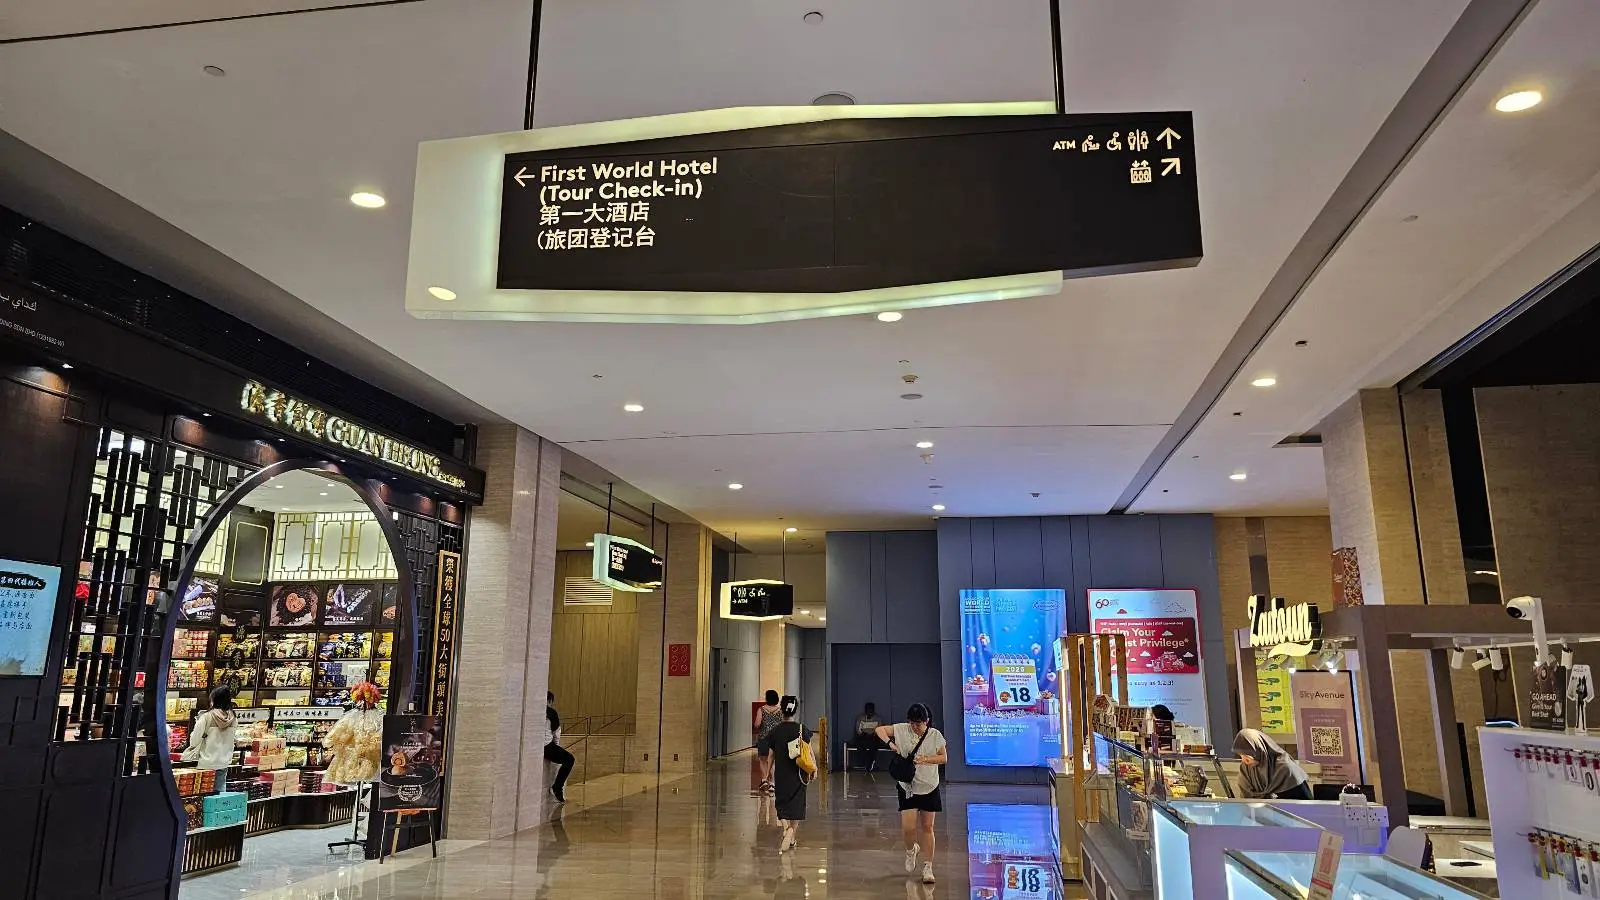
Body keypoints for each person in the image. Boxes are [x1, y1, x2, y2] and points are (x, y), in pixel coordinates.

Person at [877, 703, 947, 884]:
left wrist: (926, 759)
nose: (915, 727)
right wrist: (891, 744)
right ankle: (911, 851)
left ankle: (928, 867)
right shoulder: (901, 729)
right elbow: (879, 730)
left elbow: (943, 757)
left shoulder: (935, 735)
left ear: (927, 721)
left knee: (928, 827)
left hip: (929, 785)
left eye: (919, 724)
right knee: (908, 829)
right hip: (908, 786)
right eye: (912, 723)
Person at [758, 695, 812, 852]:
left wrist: (767, 774)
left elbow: (771, 755)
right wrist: (813, 769)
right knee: (797, 806)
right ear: (795, 710)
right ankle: (792, 832)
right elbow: (808, 751)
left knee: (781, 805)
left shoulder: (775, 732)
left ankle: (786, 830)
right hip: (799, 774)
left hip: (781, 775)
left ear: (782, 710)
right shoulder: (802, 729)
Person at [1232, 728, 1312, 800]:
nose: (1245, 760)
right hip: (1257, 814)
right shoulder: (1245, 769)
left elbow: (1303, 803)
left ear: (1260, 750)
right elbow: (1245, 800)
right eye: (1241, 755)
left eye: (1248, 755)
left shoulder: (1285, 769)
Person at [184, 686, 238, 772]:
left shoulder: (207, 717)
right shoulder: (233, 718)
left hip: (205, 763)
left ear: (214, 700)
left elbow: (194, 741)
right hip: (224, 762)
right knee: (221, 785)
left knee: (205, 785)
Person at [545, 691, 575, 803]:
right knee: (569, 759)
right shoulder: (551, 712)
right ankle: (557, 787)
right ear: (550, 701)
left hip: (534, 746)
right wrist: (556, 747)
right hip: (547, 746)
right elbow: (556, 732)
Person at [754, 689, 783, 792]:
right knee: (773, 761)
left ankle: (764, 780)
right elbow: (783, 724)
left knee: (763, 760)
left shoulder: (761, 710)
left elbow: (757, 724)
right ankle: (772, 783)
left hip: (763, 738)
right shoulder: (780, 711)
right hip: (776, 739)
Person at [850, 702, 885, 770]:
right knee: (860, 743)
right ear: (865, 710)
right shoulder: (860, 718)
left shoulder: (877, 719)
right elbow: (858, 731)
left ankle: (870, 763)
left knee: (873, 744)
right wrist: (864, 733)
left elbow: (880, 730)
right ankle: (866, 763)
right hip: (863, 737)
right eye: (868, 710)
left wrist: (873, 734)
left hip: (873, 738)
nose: (869, 712)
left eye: (871, 710)